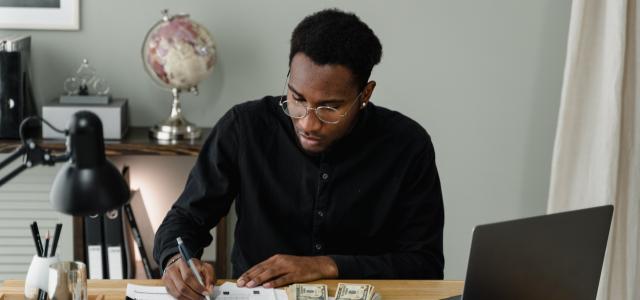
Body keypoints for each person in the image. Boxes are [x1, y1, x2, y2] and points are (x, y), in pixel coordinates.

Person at [154, 8, 444, 300]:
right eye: (297, 98)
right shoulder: (244, 127)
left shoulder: (407, 145)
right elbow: (184, 220)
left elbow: (425, 265)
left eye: (329, 107)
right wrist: (177, 262)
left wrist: (328, 266)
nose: (308, 123)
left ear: (365, 94)